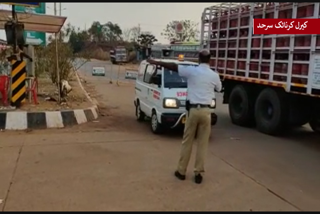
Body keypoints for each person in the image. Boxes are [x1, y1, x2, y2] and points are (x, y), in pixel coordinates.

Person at [147, 50, 222, 184]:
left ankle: (181, 171)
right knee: (202, 144)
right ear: (210, 60)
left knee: (187, 141)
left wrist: (156, 62)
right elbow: (219, 88)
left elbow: (173, 67)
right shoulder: (214, 75)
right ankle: (198, 173)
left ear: (199, 59)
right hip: (206, 112)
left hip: (193, 111)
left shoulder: (192, 71)